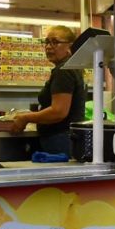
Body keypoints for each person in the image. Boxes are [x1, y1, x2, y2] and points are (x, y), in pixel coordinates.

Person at [11, 25, 85, 155]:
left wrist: (26, 118)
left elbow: (58, 112)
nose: (48, 47)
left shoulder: (64, 71)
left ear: (70, 46)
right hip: (67, 138)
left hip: (60, 138)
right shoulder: (71, 67)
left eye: (55, 42)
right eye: (47, 42)